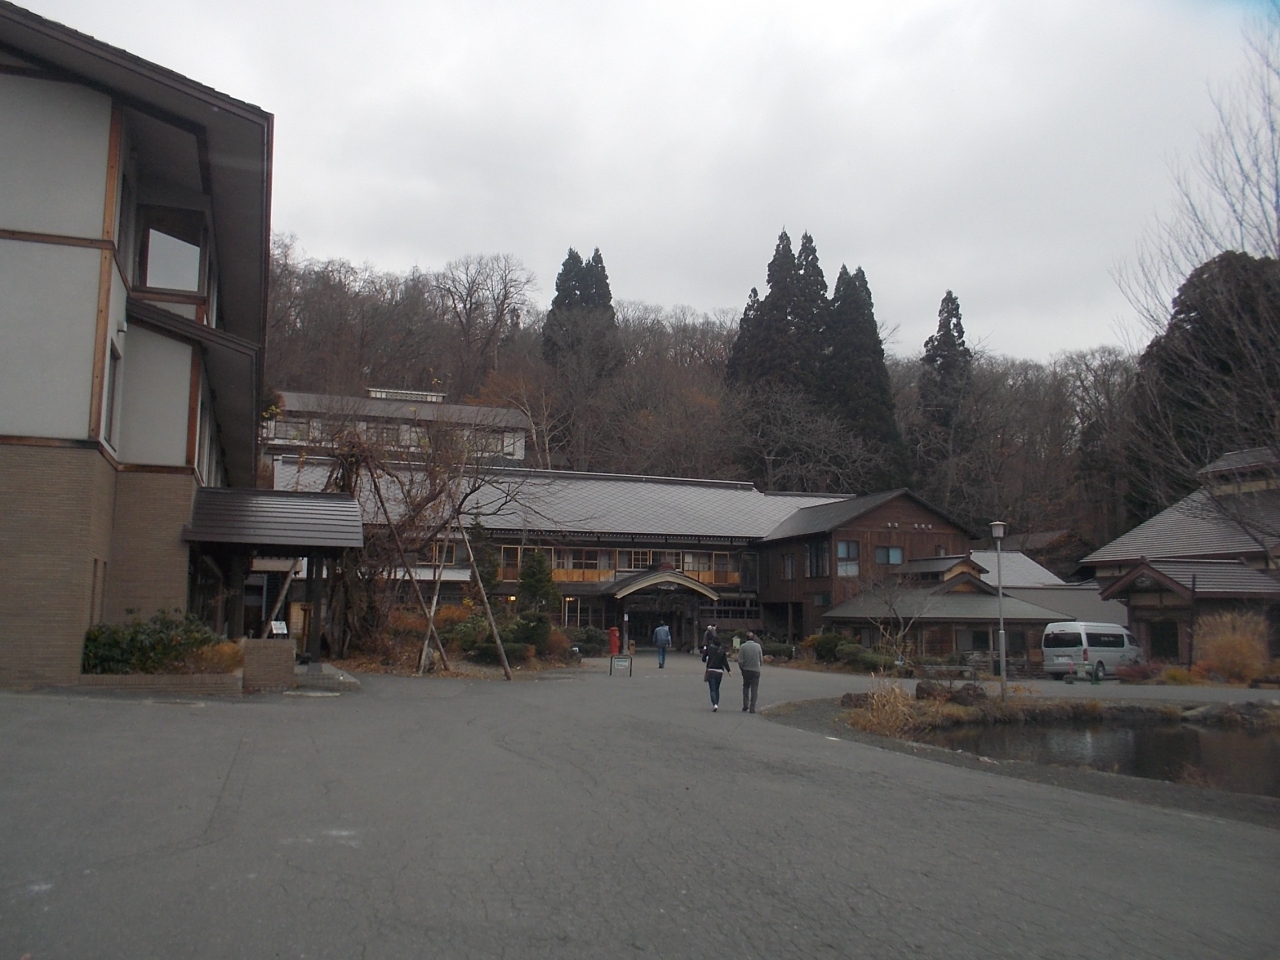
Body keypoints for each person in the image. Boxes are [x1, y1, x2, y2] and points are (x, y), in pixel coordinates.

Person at [701, 636, 731, 711]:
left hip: (711, 670)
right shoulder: (722, 650)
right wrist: (729, 670)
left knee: (712, 689)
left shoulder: (709, 648)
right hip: (719, 671)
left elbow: (703, 659)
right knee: (717, 688)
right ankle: (716, 703)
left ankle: (715, 704)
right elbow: (724, 661)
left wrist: (706, 658)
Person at [737, 631, 763, 713]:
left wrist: (742, 668)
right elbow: (761, 660)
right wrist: (759, 665)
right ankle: (752, 707)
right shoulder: (758, 646)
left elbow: (740, 661)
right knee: (754, 689)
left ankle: (745, 705)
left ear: (746, 638)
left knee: (746, 687)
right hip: (756, 670)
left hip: (746, 670)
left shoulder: (743, 647)